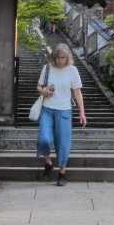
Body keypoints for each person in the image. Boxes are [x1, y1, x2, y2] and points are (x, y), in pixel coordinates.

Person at [37, 43, 86, 186]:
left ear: (68, 57)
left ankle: (62, 173)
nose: (60, 60)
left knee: (63, 144)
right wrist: (43, 91)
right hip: (47, 108)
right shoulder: (47, 68)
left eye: (63, 57)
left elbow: (77, 92)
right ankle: (48, 163)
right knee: (43, 139)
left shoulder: (72, 70)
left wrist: (82, 112)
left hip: (64, 110)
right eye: (58, 57)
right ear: (54, 57)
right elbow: (39, 86)